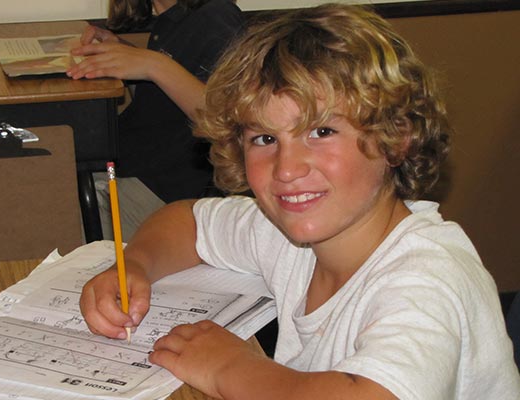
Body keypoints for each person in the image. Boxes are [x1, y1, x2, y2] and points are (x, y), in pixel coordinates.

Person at [79, 3, 520, 399]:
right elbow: (188, 221)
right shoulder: (286, 234)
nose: (287, 168)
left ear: (396, 139)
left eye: (322, 131)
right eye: (265, 138)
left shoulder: (429, 275)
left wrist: (232, 369)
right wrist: (135, 265)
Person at [67, 0, 243, 240]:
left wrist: (153, 65)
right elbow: (164, 98)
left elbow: (228, 123)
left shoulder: (218, 16)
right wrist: (122, 52)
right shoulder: (172, 19)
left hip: (159, 192)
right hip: (121, 167)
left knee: (53, 210)